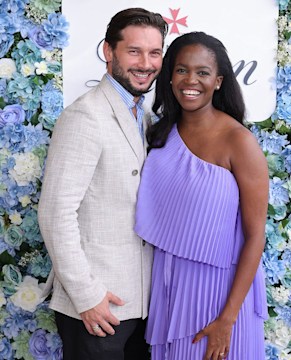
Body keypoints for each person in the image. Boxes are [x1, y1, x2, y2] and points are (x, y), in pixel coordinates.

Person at [38, 8, 167, 359]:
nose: (146, 63)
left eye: (155, 53)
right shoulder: (86, 116)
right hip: (98, 309)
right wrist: (87, 295)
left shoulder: (146, 114)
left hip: (141, 306)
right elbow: (55, 214)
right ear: (109, 52)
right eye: (134, 51)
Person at [134, 32, 268, 359]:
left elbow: (255, 237)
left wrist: (227, 319)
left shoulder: (239, 141)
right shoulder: (158, 134)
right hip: (170, 291)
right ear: (169, 76)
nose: (190, 80)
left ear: (219, 81)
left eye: (202, 72)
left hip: (223, 297)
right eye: (181, 70)